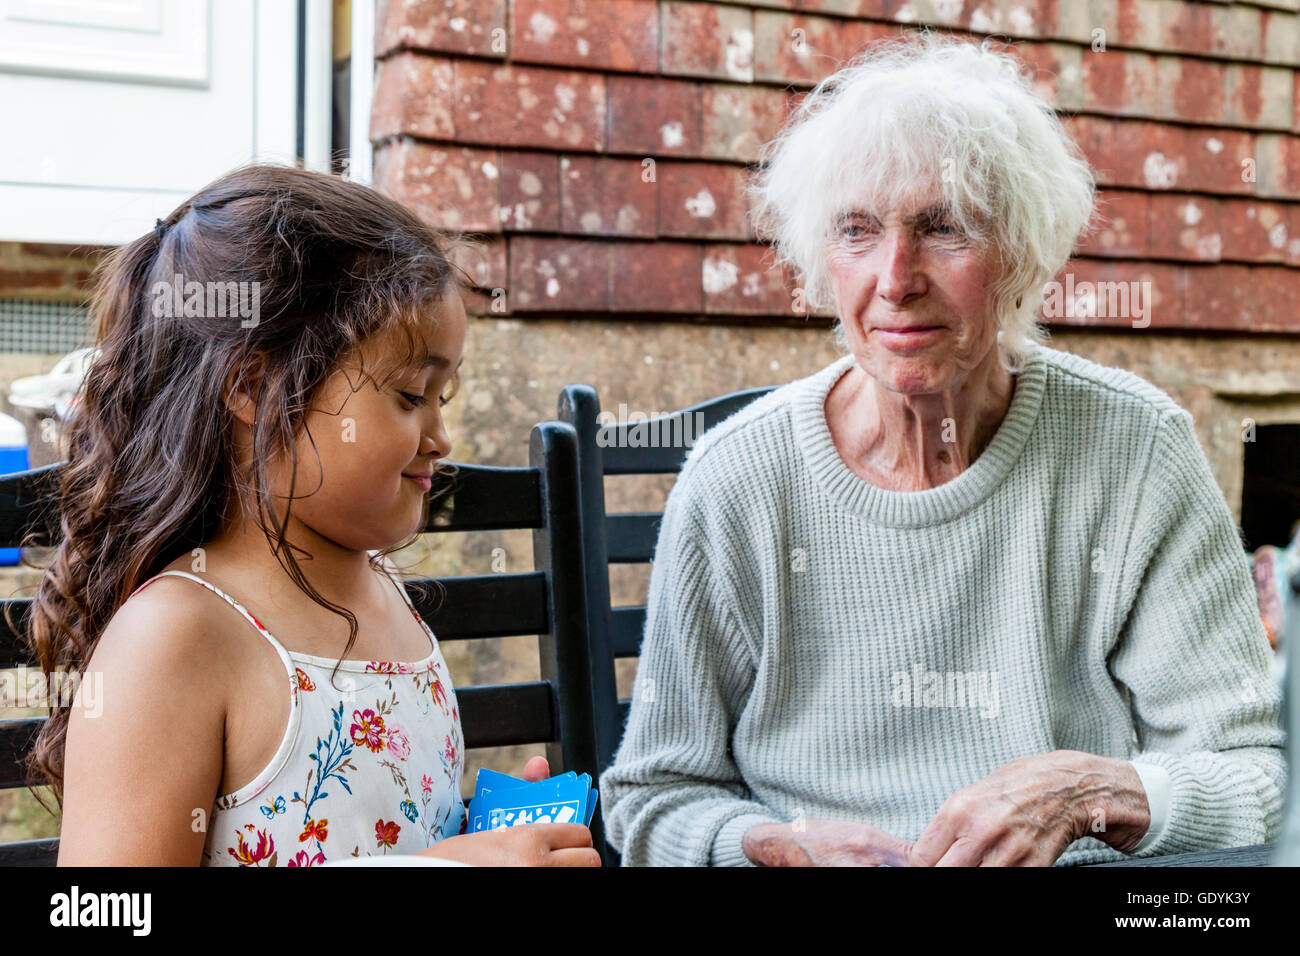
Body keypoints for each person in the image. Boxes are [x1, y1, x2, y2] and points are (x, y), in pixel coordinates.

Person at [598, 32, 1285, 866]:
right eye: (857, 231)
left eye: (944, 228)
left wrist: (1087, 796)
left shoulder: (1136, 451)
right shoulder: (737, 479)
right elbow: (651, 801)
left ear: (1025, 254)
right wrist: (771, 845)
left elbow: (1250, 778)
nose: (895, 278)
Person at [25, 164, 599, 867]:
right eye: (410, 393)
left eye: (442, 398)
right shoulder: (178, 636)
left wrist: (482, 836)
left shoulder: (383, 592)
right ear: (255, 388)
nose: (440, 437)